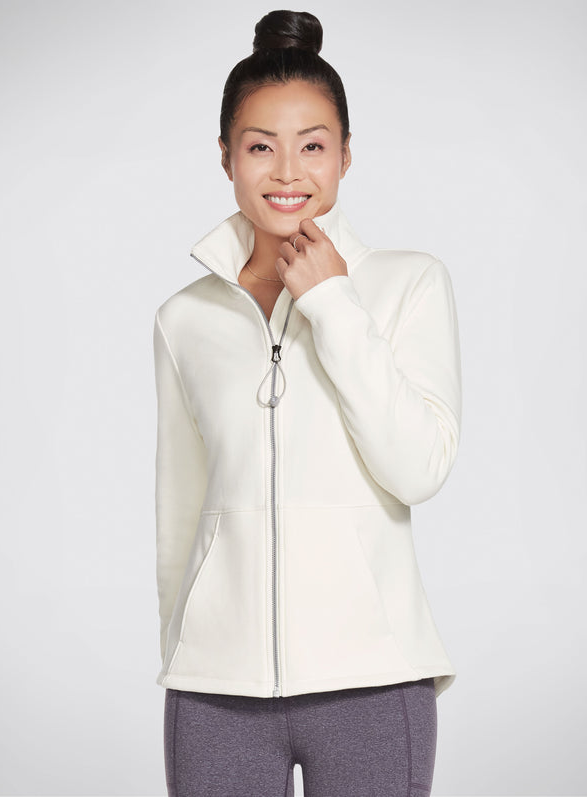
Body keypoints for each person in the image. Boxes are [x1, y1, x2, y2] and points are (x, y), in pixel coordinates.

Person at [153, 10, 462, 796]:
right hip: (216, 691)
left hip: (372, 680)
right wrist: (186, 649)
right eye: (261, 145)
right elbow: (179, 509)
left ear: (347, 153)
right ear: (226, 156)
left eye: (313, 145)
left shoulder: (408, 285)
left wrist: (332, 304)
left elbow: (419, 466)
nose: (287, 170)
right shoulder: (184, 318)